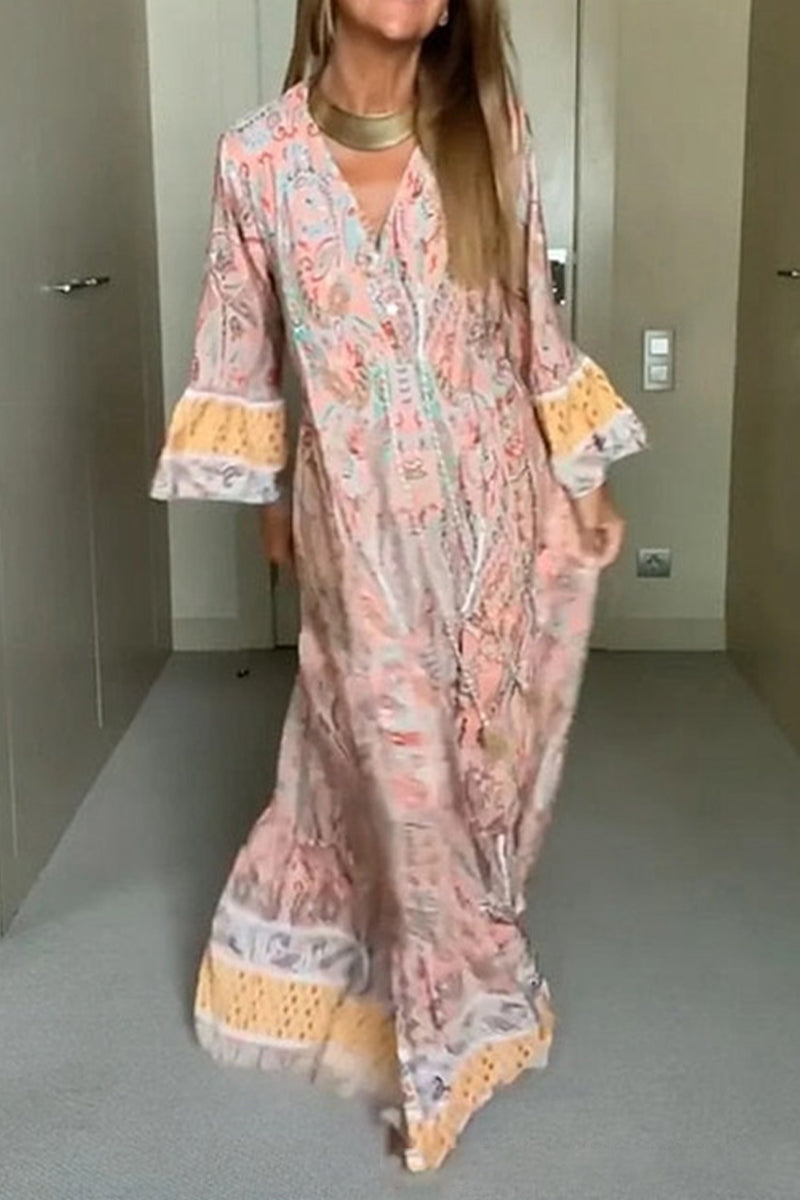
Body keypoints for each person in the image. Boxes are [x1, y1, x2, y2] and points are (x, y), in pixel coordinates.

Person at [151, 0, 646, 1173]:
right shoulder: (256, 158)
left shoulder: (490, 130)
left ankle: (429, 982)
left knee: (473, 761)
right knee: (389, 760)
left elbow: (532, 326)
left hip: (494, 515)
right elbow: (247, 346)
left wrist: (581, 480)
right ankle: (451, 1045)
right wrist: (275, 500)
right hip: (357, 527)